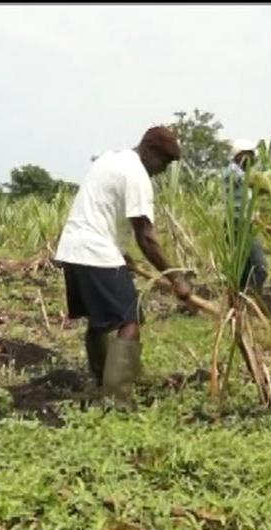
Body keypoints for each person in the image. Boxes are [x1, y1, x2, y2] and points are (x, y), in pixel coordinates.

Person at [54, 126, 193, 410]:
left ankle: (101, 381)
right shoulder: (136, 175)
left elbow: (103, 211)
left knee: (98, 321)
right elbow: (147, 236)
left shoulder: (111, 159)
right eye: (164, 163)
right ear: (150, 151)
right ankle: (117, 399)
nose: (163, 171)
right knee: (129, 321)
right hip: (96, 252)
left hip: (72, 249)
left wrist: (120, 252)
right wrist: (175, 277)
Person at [222, 139, 268, 293]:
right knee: (260, 267)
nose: (252, 159)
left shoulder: (242, 176)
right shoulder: (233, 171)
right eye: (249, 155)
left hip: (244, 226)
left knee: (244, 270)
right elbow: (256, 184)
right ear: (238, 155)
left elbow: (247, 207)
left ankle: (239, 303)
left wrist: (264, 225)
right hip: (236, 227)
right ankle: (250, 300)